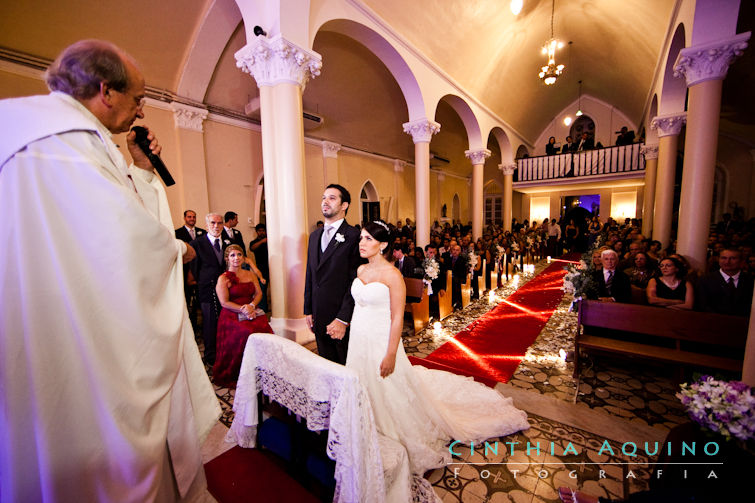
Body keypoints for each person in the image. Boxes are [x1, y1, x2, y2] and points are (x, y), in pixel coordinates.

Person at [0, 39, 219, 501]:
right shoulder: (70, 146)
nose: (141, 111)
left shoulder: (20, 128)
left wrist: (139, 169)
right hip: (80, 341)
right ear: (106, 90)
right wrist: (178, 250)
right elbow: (127, 245)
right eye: (138, 98)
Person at [346, 221, 529, 501]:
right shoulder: (360, 270)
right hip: (359, 337)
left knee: (387, 388)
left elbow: (397, 317)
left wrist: (392, 352)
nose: (362, 243)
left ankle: (388, 432)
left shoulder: (392, 274)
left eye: (368, 239)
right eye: (361, 238)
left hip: (380, 339)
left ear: (382, 245)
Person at [304, 184, 362, 364]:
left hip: (340, 313)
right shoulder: (314, 236)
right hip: (319, 312)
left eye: (332, 198)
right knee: (326, 362)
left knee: (344, 363)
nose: (325, 202)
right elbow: (310, 274)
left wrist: (343, 318)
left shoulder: (354, 236)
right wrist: (308, 309)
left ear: (344, 206)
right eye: (323, 197)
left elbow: (356, 281)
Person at [212, 245, 273, 388]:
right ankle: (243, 372)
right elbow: (224, 302)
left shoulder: (250, 274)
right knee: (246, 332)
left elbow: (259, 294)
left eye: (239, 255)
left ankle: (263, 370)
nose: (236, 258)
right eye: (232, 255)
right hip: (232, 314)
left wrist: (251, 306)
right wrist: (243, 309)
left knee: (264, 327)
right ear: (227, 258)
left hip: (251, 309)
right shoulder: (223, 278)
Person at [190, 212, 229, 366]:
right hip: (208, 290)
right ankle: (211, 357)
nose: (216, 226)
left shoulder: (229, 242)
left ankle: (227, 353)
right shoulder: (197, 244)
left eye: (219, 223)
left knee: (226, 322)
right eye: (213, 223)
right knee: (210, 323)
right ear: (207, 225)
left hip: (227, 290)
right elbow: (194, 270)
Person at [696, 248, 754, 316]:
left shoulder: (750, 281)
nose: (727, 262)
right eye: (724, 258)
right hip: (713, 321)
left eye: (733, 258)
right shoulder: (705, 280)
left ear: (741, 261)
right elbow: (702, 304)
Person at [176, 209, 206, 328]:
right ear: (185, 218)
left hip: (199, 270)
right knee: (188, 300)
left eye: (194, 217)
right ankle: (190, 326)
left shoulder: (202, 232)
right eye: (189, 217)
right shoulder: (177, 233)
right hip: (184, 270)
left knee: (201, 300)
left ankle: (203, 326)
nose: (192, 219)